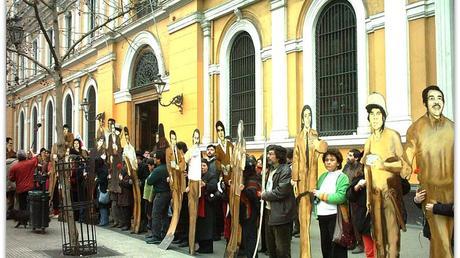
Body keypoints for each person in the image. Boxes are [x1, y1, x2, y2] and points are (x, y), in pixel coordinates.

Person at [405, 85, 454, 258]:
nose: (436, 102)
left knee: (443, 244)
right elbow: (408, 154)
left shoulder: (453, 128)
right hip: (432, 195)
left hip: (454, 195)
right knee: (444, 246)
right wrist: (404, 168)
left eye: (439, 98)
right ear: (425, 103)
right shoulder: (416, 129)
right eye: (432, 98)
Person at [361, 93, 410, 258]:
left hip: (390, 195)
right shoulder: (368, 141)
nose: (374, 117)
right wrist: (368, 199)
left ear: (383, 116)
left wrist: (384, 165)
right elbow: (366, 170)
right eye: (371, 114)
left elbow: (405, 167)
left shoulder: (392, 136)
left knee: (393, 239)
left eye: (378, 113)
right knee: (379, 241)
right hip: (374, 197)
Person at [291, 105, 328, 258]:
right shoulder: (298, 136)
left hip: (311, 180)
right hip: (300, 181)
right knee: (302, 218)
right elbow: (295, 158)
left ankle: (306, 254)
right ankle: (304, 254)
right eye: (305, 115)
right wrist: (294, 179)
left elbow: (322, 148)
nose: (308, 118)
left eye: (309, 115)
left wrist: (320, 144)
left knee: (307, 217)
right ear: (301, 118)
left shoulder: (314, 134)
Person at [313, 148, 349, 258]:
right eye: (326, 160)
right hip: (322, 216)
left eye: (332, 160)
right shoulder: (323, 176)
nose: (328, 162)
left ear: (338, 162)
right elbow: (315, 193)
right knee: (326, 248)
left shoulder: (342, 177)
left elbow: (341, 197)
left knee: (337, 248)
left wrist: (321, 195)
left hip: (335, 216)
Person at [261, 145, 296, 258]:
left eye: (271, 154)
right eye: (268, 154)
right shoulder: (271, 170)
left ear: (279, 156)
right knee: (271, 248)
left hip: (281, 214)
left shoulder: (285, 170)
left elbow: (281, 191)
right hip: (269, 211)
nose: (268, 156)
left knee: (282, 249)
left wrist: (264, 195)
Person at [163, 130, 186, 242]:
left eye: (174, 138)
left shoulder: (180, 151)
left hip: (181, 180)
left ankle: (177, 234)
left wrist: (178, 167)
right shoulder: (168, 151)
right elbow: (168, 165)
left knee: (180, 208)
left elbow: (183, 163)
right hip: (174, 180)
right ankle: (173, 233)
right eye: (171, 139)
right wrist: (171, 175)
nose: (173, 141)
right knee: (175, 206)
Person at [347, 166, 374, 258]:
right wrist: (357, 187)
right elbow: (350, 196)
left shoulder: (389, 174)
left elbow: (405, 187)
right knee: (370, 252)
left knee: (386, 251)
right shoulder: (360, 177)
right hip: (366, 220)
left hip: (386, 219)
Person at [146, 150, 171, 244]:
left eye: (155, 158)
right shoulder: (167, 168)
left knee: (156, 214)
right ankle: (163, 234)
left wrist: (151, 175)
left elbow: (149, 181)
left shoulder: (158, 170)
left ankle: (156, 236)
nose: (154, 160)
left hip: (160, 194)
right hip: (167, 193)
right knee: (164, 215)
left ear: (159, 159)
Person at [342, 149, 365, 254]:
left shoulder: (361, 168)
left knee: (356, 222)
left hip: (356, 199)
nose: (347, 157)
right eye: (348, 155)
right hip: (346, 196)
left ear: (356, 158)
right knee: (348, 221)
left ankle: (361, 244)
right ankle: (351, 242)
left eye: (350, 155)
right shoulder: (346, 167)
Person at [184, 129, 202, 254]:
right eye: (195, 137)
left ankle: (193, 245)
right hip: (191, 182)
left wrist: (200, 186)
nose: (196, 139)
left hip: (198, 183)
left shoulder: (200, 151)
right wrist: (187, 184)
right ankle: (191, 247)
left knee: (196, 217)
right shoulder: (190, 151)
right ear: (192, 138)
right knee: (192, 216)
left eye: (198, 137)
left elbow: (199, 171)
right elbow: (183, 166)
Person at [240, 155, 261, 258]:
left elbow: (253, 195)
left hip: (251, 211)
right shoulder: (248, 177)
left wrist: (243, 189)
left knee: (250, 235)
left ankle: (251, 255)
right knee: (247, 235)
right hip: (247, 211)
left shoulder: (253, 178)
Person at [196, 159, 218, 253]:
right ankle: (201, 246)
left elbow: (213, 186)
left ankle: (208, 247)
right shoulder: (197, 175)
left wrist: (205, 184)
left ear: (207, 167)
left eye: (204, 165)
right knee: (200, 226)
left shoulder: (211, 175)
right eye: (200, 165)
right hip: (198, 203)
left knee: (207, 226)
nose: (202, 168)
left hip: (208, 204)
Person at [9, 149, 39, 217]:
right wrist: (31, 151)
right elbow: (35, 159)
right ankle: (31, 218)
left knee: (22, 205)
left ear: (18, 157)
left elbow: (11, 179)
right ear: (25, 156)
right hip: (30, 187)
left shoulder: (14, 167)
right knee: (31, 203)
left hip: (20, 189)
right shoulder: (30, 163)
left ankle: (23, 219)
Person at [95, 157, 109, 226]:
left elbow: (102, 179)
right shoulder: (104, 168)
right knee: (102, 205)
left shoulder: (102, 170)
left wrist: (97, 180)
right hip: (102, 188)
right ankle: (103, 220)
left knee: (102, 204)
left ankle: (104, 220)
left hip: (103, 188)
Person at [6, 155, 18, 219]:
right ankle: (12, 214)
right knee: (15, 199)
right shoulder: (16, 163)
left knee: (8, 199)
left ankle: (8, 213)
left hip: (5, 184)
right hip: (13, 184)